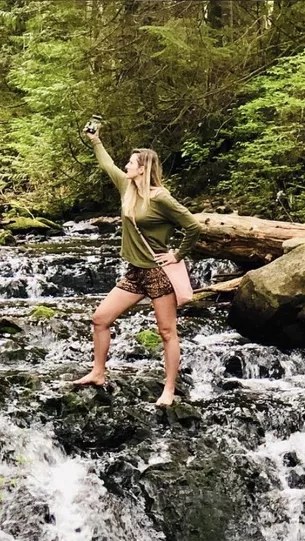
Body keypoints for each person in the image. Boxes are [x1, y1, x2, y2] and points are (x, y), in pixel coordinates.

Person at [75, 128, 201, 407]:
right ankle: (98, 372)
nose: (126, 166)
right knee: (100, 319)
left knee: (167, 331)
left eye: (131, 163)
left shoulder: (160, 198)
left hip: (158, 273)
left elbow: (193, 226)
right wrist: (95, 140)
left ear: (143, 168)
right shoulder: (126, 187)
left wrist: (177, 255)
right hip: (135, 272)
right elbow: (106, 164)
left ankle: (169, 389)